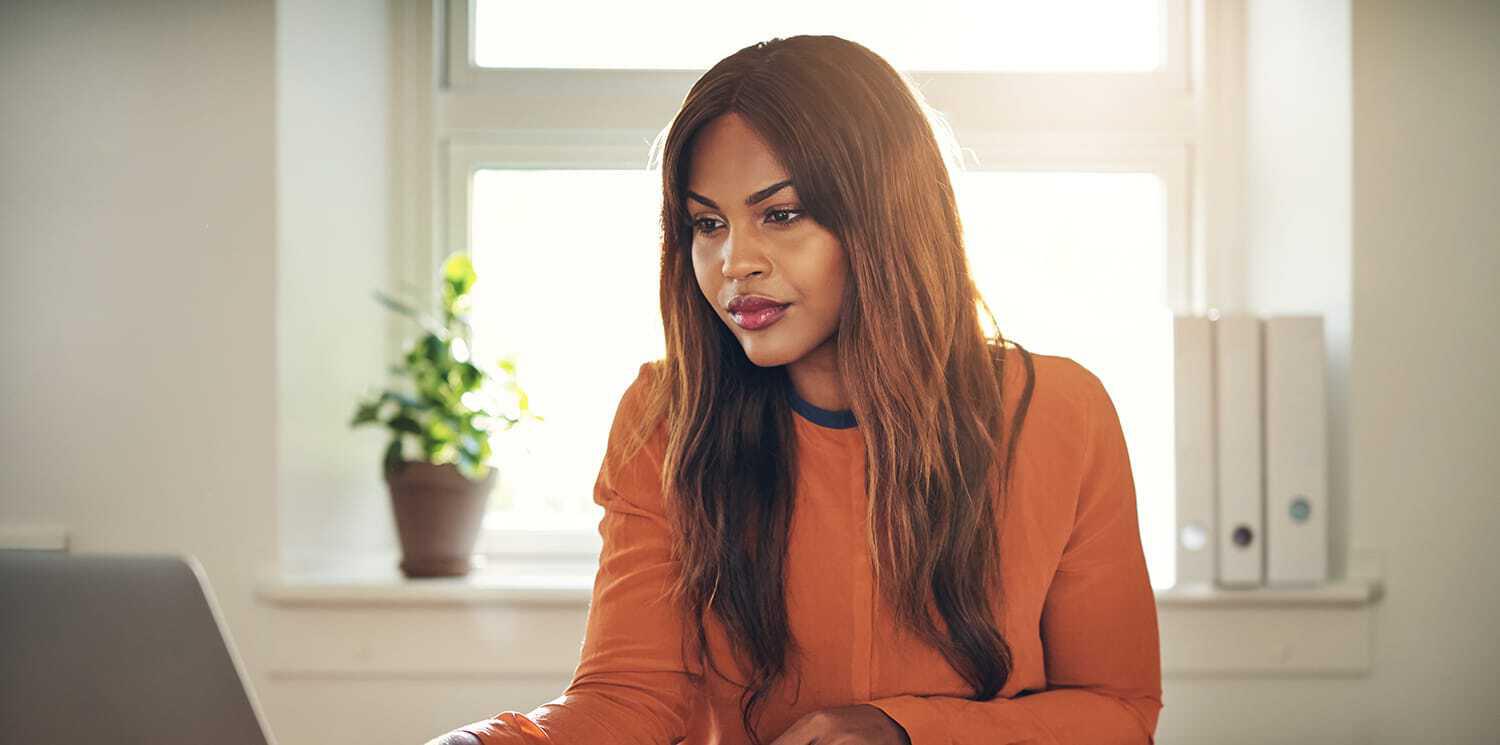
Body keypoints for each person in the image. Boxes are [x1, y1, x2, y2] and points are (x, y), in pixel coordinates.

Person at [429, 34, 1161, 745]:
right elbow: (627, 697)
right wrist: (482, 742)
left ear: (886, 214)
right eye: (707, 223)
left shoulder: (1061, 411)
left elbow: (1119, 712)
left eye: (780, 215)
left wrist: (907, 728)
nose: (733, 261)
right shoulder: (664, 416)